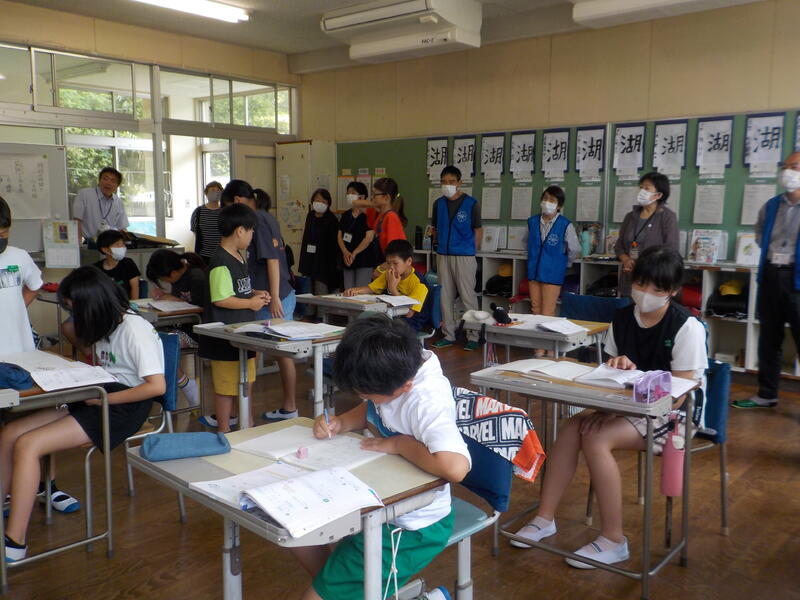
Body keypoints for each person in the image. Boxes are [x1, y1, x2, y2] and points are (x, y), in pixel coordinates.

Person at [510, 246, 706, 568]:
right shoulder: (622, 318)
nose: (646, 293)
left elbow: (681, 392)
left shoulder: (686, 327)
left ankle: (615, 540)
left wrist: (621, 410)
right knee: (572, 429)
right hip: (622, 405)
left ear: (672, 291)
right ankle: (544, 518)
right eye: (641, 284)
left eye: (656, 289)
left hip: (672, 415)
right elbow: (610, 373)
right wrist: (617, 370)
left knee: (596, 437)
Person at [291, 316, 470, 600]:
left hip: (412, 527)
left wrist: (399, 443)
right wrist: (341, 423)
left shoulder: (426, 402)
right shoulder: (395, 370)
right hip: (381, 502)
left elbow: (456, 467)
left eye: (370, 395)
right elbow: (373, 408)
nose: (368, 400)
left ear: (405, 386)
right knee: (298, 530)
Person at [0, 265, 165, 562]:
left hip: (122, 406)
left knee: (28, 444)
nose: (73, 316)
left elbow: (156, 387)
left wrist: (104, 401)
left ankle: (15, 541)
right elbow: (85, 346)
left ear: (94, 303)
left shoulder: (134, 329)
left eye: (75, 309)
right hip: (96, 392)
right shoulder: (104, 323)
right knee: (10, 432)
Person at [735, 151, 800, 409]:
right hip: (772, 275)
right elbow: (760, 234)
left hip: (797, 279)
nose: (788, 171)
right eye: (785, 166)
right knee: (769, 339)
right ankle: (767, 393)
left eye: (795, 166)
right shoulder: (771, 205)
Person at [197, 203, 269, 432]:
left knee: (246, 382)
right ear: (240, 231)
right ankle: (224, 431)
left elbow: (237, 289)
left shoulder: (239, 256)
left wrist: (255, 293)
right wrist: (250, 303)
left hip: (243, 334)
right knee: (226, 387)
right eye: (251, 231)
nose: (252, 235)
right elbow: (221, 299)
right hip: (224, 337)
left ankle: (247, 424)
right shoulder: (220, 261)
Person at [231, 183, 299, 422]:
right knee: (280, 354)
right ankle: (285, 408)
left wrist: (274, 296)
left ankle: (244, 415)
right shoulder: (267, 217)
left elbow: (272, 260)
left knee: (253, 354)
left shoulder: (257, 219)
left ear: (238, 200)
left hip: (271, 298)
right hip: (276, 294)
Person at [146, 248, 209, 408]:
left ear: (173, 272)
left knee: (160, 346)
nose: (165, 282)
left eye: (164, 278)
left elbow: (202, 307)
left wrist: (174, 300)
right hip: (177, 325)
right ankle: (183, 384)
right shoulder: (179, 276)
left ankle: (185, 385)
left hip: (195, 330)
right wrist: (163, 298)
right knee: (148, 340)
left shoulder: (197, 276)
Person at [430, 166, 482, 351]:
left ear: (459, 182)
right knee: (444, 297)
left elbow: (478, 230)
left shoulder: (471, 203)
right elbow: (435, 228)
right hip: (443, 254)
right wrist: (437, 245)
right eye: (444, 181)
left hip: (464, 255)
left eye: (451, 181)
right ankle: (448, 334)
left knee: (468, 297)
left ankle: (474, 336)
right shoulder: (438, 204)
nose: (447, 185)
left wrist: (471, 250)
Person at [527, 186, 580, 355]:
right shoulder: (532, 221)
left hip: (553, 272)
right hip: (534, 271)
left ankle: (550, 349)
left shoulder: (565, 224)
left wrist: (564, 263)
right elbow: (526, 242)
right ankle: (538, 349)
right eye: (545, 198)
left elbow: (574, 249)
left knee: (548, 311)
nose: (547, 203)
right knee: (535, 309)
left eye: (552, 200)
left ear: (559, 205)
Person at [614, 172, 679, 296]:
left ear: (658, 195)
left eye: (647, 188)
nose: (641, 191)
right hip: (630, 277)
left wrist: (645, 265)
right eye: (641, 187)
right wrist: (626, 259)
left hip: (654, 279)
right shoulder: (630, 216)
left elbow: (671, 250)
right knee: (628, 307)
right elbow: (619, 246)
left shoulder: (667, 217)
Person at [343, 239, 428, 331]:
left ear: (409, 261)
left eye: (395, 263)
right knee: (366, 325)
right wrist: (355, 290)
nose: (391, 267)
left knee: (383, 330)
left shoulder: (419, 283)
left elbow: (409, 313)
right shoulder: (389, 274)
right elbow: (371, 288)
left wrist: (393, 289)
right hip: (393, 316)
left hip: (412, 321)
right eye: (388, 263)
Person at [0, 195, 43, 355]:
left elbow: (34, 286)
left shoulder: (19, 256)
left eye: (3, 234)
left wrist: (17, 306)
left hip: (19, 347)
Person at [299, 188, 341, 297]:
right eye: (317, 200)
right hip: (309, 257)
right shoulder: (310, 216)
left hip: (324, 262)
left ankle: (321, 309)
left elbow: (333, 245)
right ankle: (308, 307)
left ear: (328, 204)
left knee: (321, 289)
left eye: (323, 201)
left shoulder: (331, 219)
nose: (320, 203)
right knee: (307, 289)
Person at [71, 167, 128, 245]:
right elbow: (77, 220)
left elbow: (122, 227)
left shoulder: (118, 202)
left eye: (113, 181)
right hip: (87, 244)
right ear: (99, 181)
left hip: (109, 245)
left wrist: (124, 244)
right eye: (105, 179)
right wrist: (79, 243)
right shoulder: (84, 194)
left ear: (117, 186)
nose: (108, 183)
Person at [338, 181, 379, 288]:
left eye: (353, 192)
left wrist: (354, 253)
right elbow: (339, 235)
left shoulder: (369, 214)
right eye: (348, 193)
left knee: (361, 291)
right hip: (347, 259)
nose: (349, 195)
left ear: (362, 196)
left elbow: (369, 238)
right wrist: (345, 252)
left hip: (364, 259)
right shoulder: (346, 215)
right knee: (348, 290)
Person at [364, 177, 408, 263]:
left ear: (386, 198)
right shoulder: (381, 216)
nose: (372, 198)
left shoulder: (391, 217)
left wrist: (384, 266)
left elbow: (394, 251)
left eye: (375, 195)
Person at [93, 229, 140, 299]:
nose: (122, 247)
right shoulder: (96, 269)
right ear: (105, 250)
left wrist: (133, 304)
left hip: (125, 304)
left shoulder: (128, 263)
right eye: (117, 244)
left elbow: (135, 288)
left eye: (123, 244)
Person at [190, 181, 224, 263]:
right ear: (206, 193)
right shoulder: (198, 212)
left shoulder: (225, 212)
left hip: (222, 255)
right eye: (212, 190)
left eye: (218, 190)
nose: (215, 193)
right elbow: (195, 231)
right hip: (203, 256)